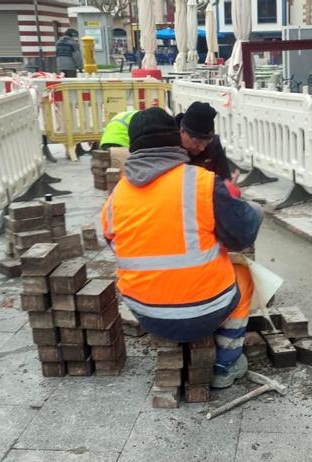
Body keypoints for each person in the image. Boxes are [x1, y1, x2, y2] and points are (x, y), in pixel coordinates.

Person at [101, 108, 263, 388]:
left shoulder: (117, 196)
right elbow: (241, 237)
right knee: (245, 276)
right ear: (176, 139)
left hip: (147, 314)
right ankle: (226, 364)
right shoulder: (201, 182)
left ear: (134, 147)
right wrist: (255, 212)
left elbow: (111, 243)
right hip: (206, 312)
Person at [175, 101, 237, 182]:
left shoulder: (213, 145)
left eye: (206, 143)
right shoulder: (168, 146)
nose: (202, 148)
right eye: (197, 142)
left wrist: (229, 188)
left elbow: (224, 178)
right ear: (182, 131)